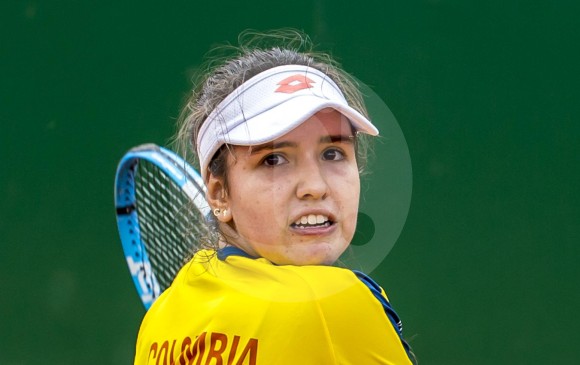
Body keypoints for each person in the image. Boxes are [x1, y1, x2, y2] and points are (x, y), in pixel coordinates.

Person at [133, 29, 416, 365]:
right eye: (273, 159)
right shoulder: (334, 303)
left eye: (332, 153)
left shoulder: (160, 320)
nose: (315, 186)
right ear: (219, 193)